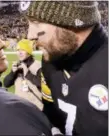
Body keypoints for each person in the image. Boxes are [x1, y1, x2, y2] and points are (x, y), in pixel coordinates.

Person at [21, 1, 108, 136]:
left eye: (36, 22)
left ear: (72, 20)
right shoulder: (51, 58)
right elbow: (51, 111)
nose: (30, 35)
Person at [4, 39, 43, 110]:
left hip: (35, 108)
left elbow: (42, 85)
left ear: (29, 51)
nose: (19, 52)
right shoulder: (17, 65)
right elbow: (6, 84)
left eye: (22, 50)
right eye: (18, 50)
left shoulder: (38, 66)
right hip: (19, 107)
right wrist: (12, 72)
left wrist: (27, 73)